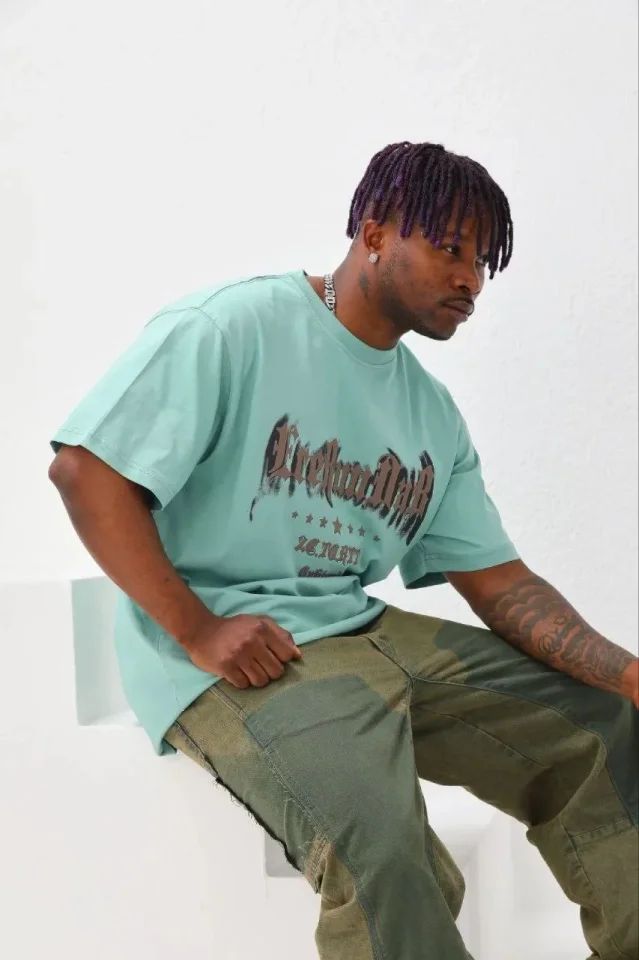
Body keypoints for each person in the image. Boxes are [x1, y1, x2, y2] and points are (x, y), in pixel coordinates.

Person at [48, 141, 638, 959]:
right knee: (384, 853)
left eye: (482, 262)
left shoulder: (430, 412)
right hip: (237, 653)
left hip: (359, 627)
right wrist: (197, 628)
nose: (470, 280)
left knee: (603, 729)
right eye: (451, 248)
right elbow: (86, 471)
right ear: (374, 231)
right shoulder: (234, 326)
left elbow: (500, 583)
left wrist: (628, 675)